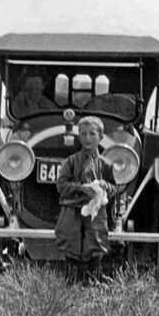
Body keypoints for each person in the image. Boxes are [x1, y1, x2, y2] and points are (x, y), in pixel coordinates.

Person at [55, 115, 118, 280]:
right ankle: (71, 278)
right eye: (83, 134)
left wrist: (104, 185)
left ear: (100, 137)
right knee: (70, 239)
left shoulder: (105, 165)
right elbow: (61, 186)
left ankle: (94, 277)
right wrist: (81, 188)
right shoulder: (70, 162)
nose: (88, 138)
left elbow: (114, 188)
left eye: (92, 134)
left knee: (96, 239)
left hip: (96, 210)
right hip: (72, 208)